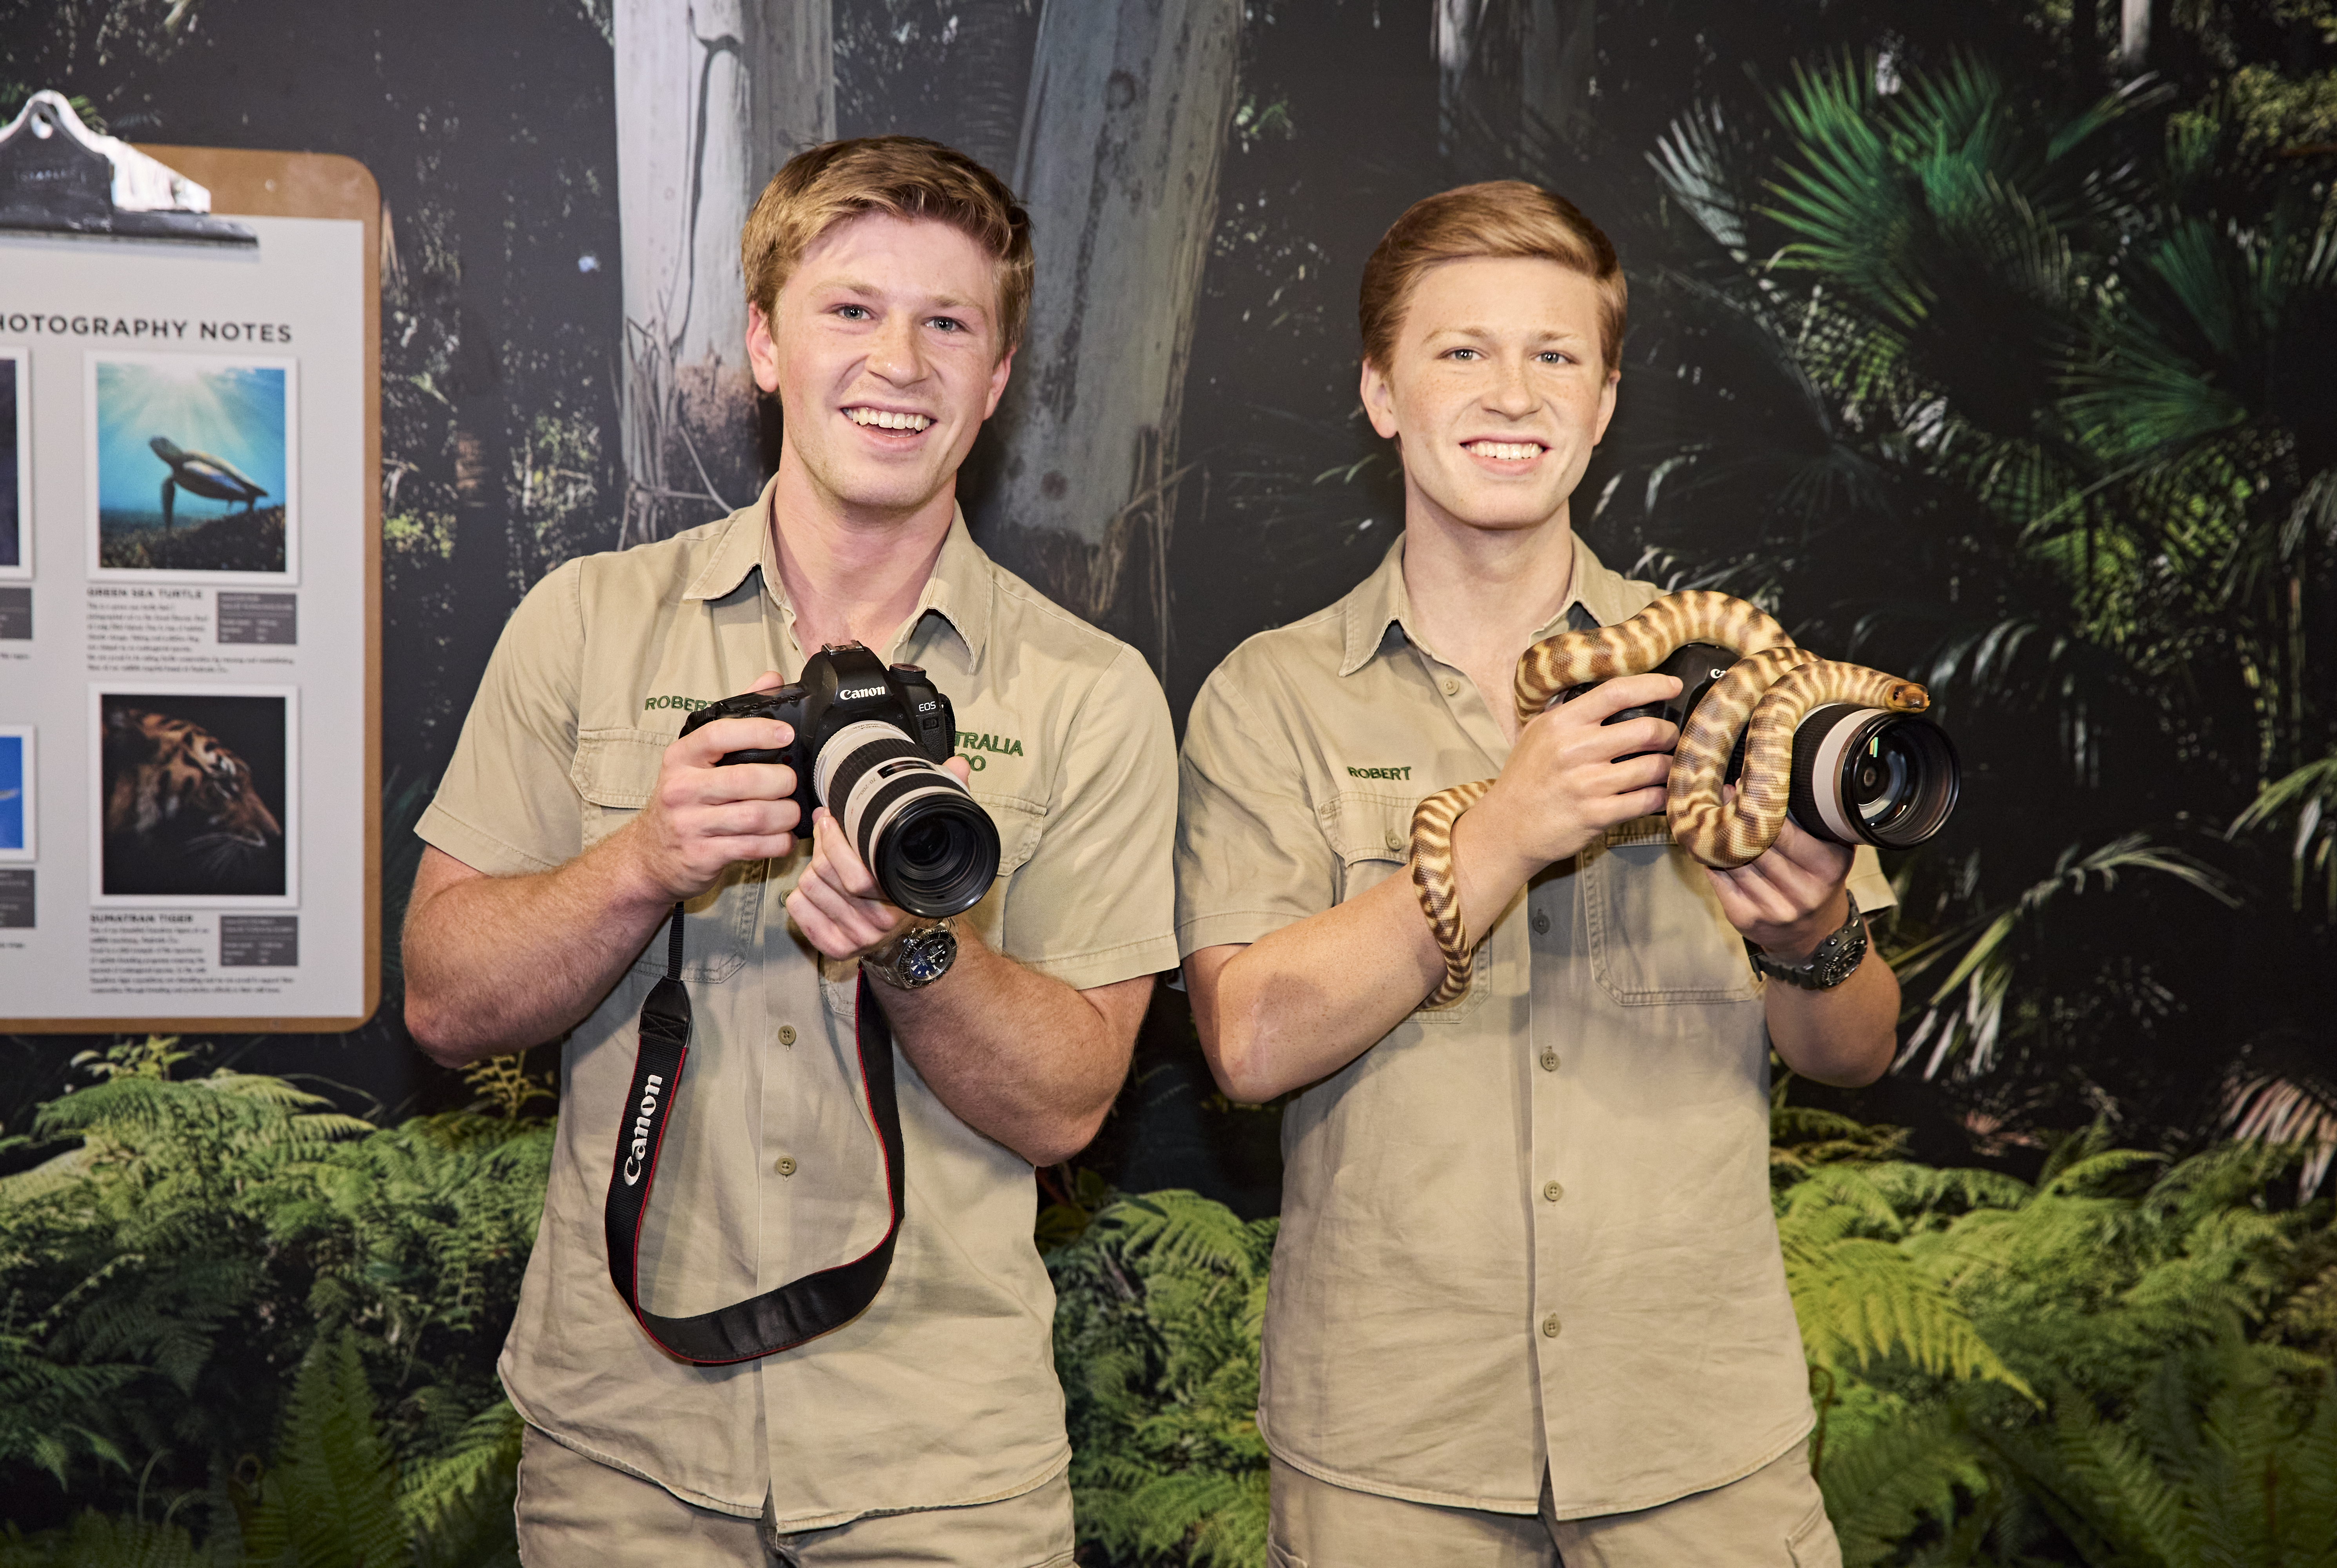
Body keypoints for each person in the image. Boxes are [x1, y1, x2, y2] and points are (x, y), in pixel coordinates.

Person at [402, 136, 1178, 1566]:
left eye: (949, 322)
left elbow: (1071, 1103)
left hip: (943, 1473)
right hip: (621, 1459)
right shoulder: (588, 622)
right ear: (763, 342)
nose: (901, 361)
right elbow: (446, 1004)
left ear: (997, 379)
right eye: (850, 309)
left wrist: (913, 947)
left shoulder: (1090, 690)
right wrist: (644, 859)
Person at [1175, 181, 1900, 1566]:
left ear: (1607, 399)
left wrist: (1808, 930)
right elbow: (1248, 1043)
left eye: (1556, 355)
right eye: (1462, 351)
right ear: (1382, 393)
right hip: (1393, 1471)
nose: (1513, 393)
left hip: (1704, 1456)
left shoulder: (1745, 683)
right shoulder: (1270, 698)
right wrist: (1503, 829)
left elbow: (1858, 1048)